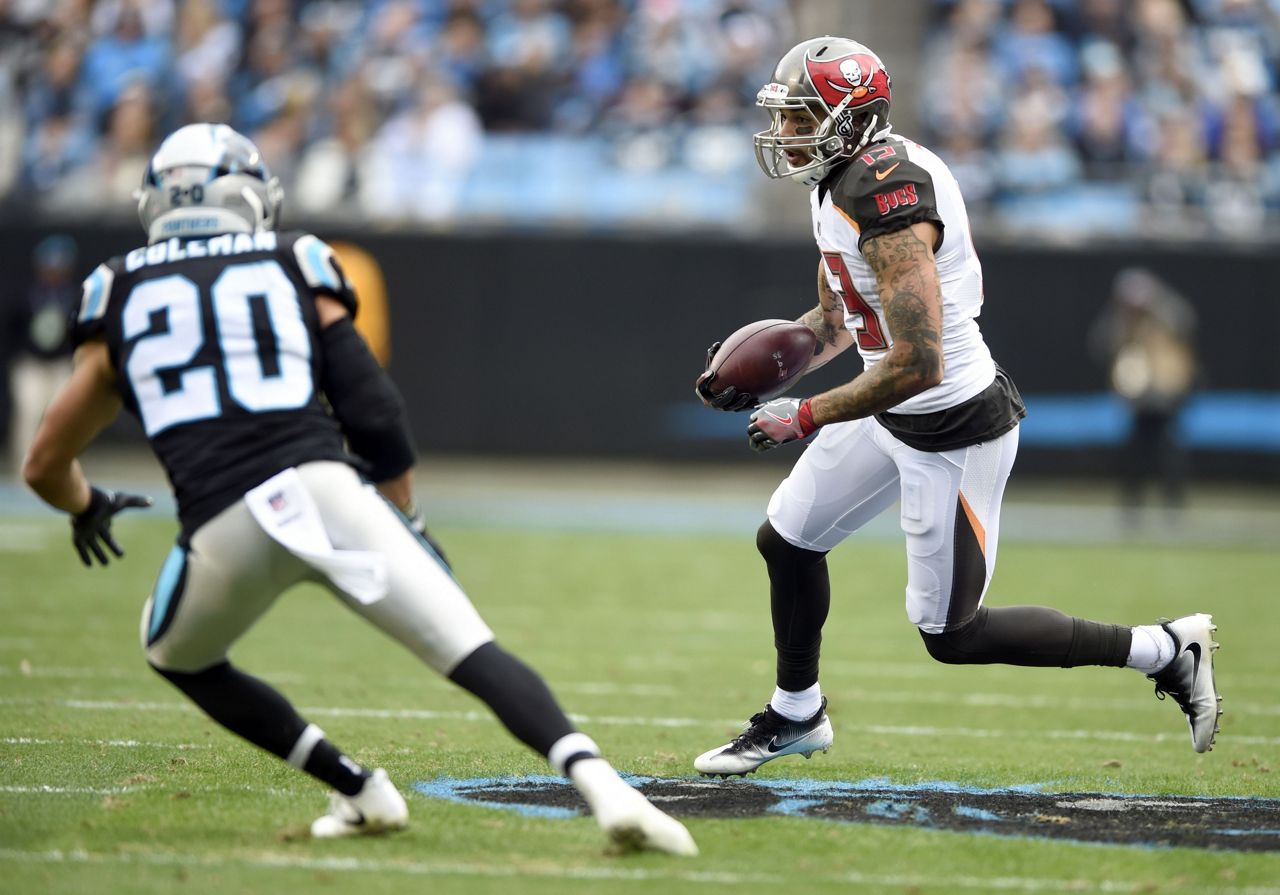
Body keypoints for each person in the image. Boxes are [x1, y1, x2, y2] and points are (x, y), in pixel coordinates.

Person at [22, 123, 696, 855]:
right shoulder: (295, 259)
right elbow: (372, 407)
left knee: (173, 651)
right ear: (248, 194)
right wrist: (404, 511)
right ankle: (609, 791)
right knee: (472, 651)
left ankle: (357, 786)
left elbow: (45, 462)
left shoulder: (116, 287)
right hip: (327, 489)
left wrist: (86, 506)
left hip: (221, 522)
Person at [690, 36, 1222, 777]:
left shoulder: (886, 194)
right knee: (788, 539)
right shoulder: (840, 180)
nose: (786, 134)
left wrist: (803, 414)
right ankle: (796, 710)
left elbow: (918, 360)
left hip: (949, 421)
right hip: (889, 405)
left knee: (952, 632)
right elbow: (842, 319)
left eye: (802, 117)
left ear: (850, 119)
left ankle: (1164, 648)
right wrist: (754, 371)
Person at [1089, 267, 1197, 519]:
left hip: (1164, 398)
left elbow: (1184, 325)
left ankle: (1172, 507)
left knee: (1166, 452)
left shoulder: (1166, 319)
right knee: (1137, 454)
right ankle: (1133, 507)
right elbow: (1101, 344)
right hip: (1139, 401)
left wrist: (1156, 304)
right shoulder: (1123, 325)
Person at [7, 235, 79, 474]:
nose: (53, 271)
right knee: (28, 415)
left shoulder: (74, 295)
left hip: (60, 365)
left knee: (61, 418)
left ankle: (58, 469)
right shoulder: (26, 294)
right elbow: (13, 329)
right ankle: (24, 469)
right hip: (32, 365)